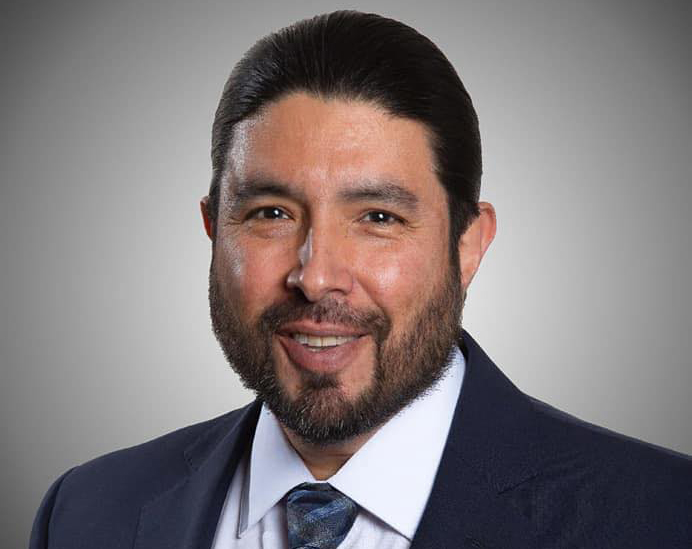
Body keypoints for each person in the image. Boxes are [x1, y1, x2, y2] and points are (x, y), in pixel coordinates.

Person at [30, 10, 690, 549]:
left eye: (378, 217)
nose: (316, 277)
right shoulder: (85, 513)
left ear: (468, 245)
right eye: (271, 213)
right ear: (214, 229)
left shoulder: (663, 517)